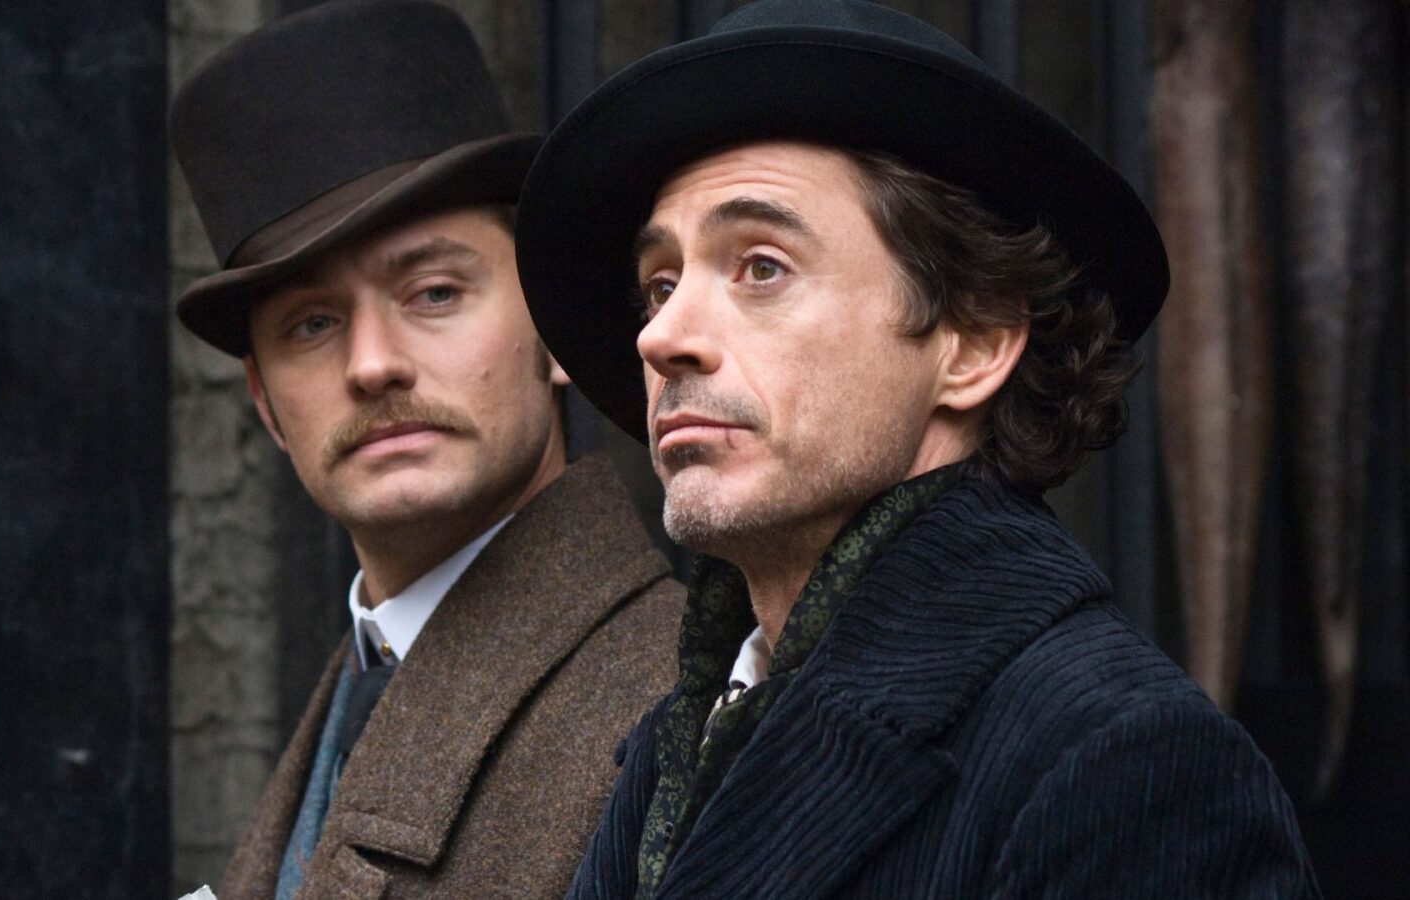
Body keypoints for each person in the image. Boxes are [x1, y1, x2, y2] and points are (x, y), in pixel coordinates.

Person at [513, 1, 1319, 896]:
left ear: (973, 343)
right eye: (660, 284)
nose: (661, 336)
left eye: (762, 267)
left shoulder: (1122, 762)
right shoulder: (676, 749)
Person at [168, 1, 684, 896]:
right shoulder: (363, 680)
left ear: (556, 329)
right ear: (265, 404)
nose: (373, 364)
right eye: (312, 324)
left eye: (436, 293)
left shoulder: (680, 709)